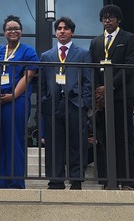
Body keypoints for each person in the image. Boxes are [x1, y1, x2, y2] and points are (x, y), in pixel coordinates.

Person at [0, 15, 39, 189]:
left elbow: (28, 75)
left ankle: (15, 182)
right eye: (9, 29)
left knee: (14, 139)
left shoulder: (28, 51)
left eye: (16, 28)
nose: (13, 31)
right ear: (4, 32)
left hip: (16, 100)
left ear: (21, 32)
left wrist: (14, 95)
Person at [89, 4, 134, 190]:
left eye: (111, 17)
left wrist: (109, 86)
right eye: (104, 17)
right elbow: (93, 68)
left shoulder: (129, 38)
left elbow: (131, 65)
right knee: (103, 139)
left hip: (121, 96)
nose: (107, 20)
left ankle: (127, 180)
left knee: (122, 138)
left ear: (118, 19)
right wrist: (98, 91)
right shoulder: (95, 42)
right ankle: (107, 180)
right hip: (101, 99)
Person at [39, 17, 93, 190]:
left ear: (72, 32)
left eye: (66, 28)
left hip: (75, 104)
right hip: (54, 105)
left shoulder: (83, 54)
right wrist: (44, 100)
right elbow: (41, 83)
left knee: (77, 143)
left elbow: (88, 81)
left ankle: (76, 179)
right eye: (59, 28)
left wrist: (84, 102)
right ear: (56, 32)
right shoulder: (46, 56)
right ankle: (55, 180)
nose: (62, 31)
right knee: (54, 144)